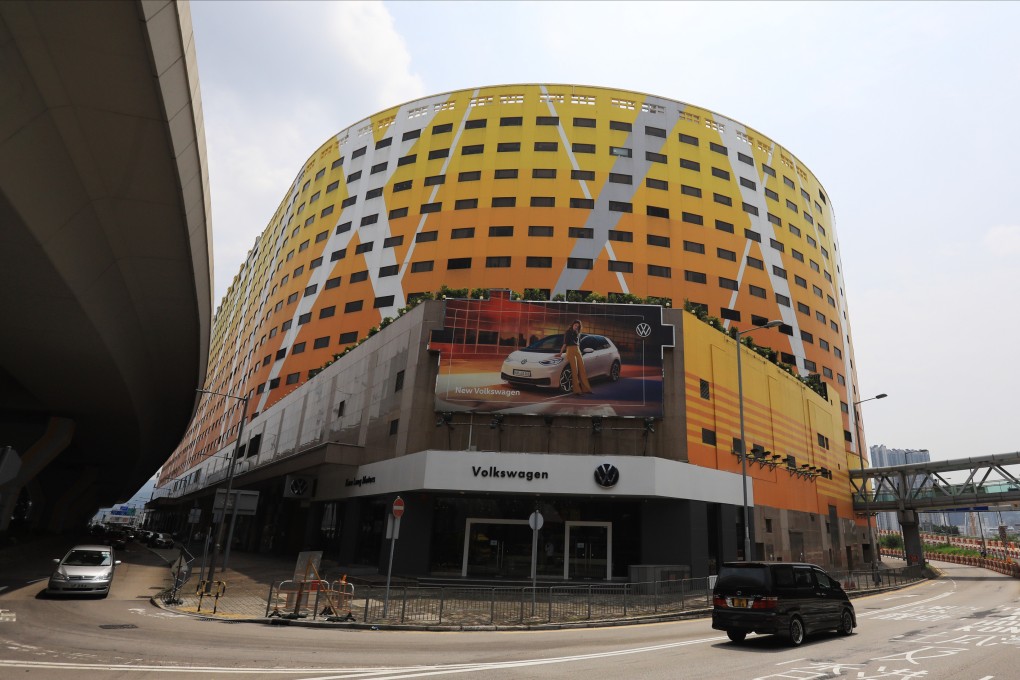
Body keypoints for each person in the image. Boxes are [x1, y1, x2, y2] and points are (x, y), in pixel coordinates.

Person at [555, 319, 592, 395]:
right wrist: (560, 353)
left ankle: (586, 389)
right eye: (575, 325)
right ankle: (577, 390)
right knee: (575, 371)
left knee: (582, 370)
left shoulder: (578, 333)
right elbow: (565, 344)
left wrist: (580, 351)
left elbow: (578, 344)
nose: (576, 327)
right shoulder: (568, 332)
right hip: (570, 350)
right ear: (572, 325)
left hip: (577, 350)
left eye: (578, 326)